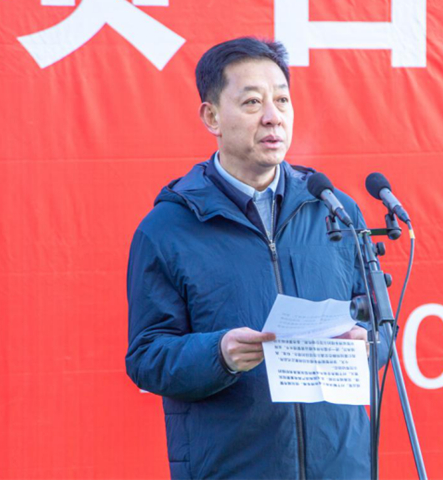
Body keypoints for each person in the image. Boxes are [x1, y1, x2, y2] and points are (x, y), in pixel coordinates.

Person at [125, 37, 381, 480]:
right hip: (233, 467)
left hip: (342, 465)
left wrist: (368, 344)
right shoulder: (168, 228)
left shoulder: (336, 211)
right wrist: (219, 353)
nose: (272, 116)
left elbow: (380, 325)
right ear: (212, 117)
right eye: (252, 102)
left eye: (282, 99)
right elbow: (147, 356)